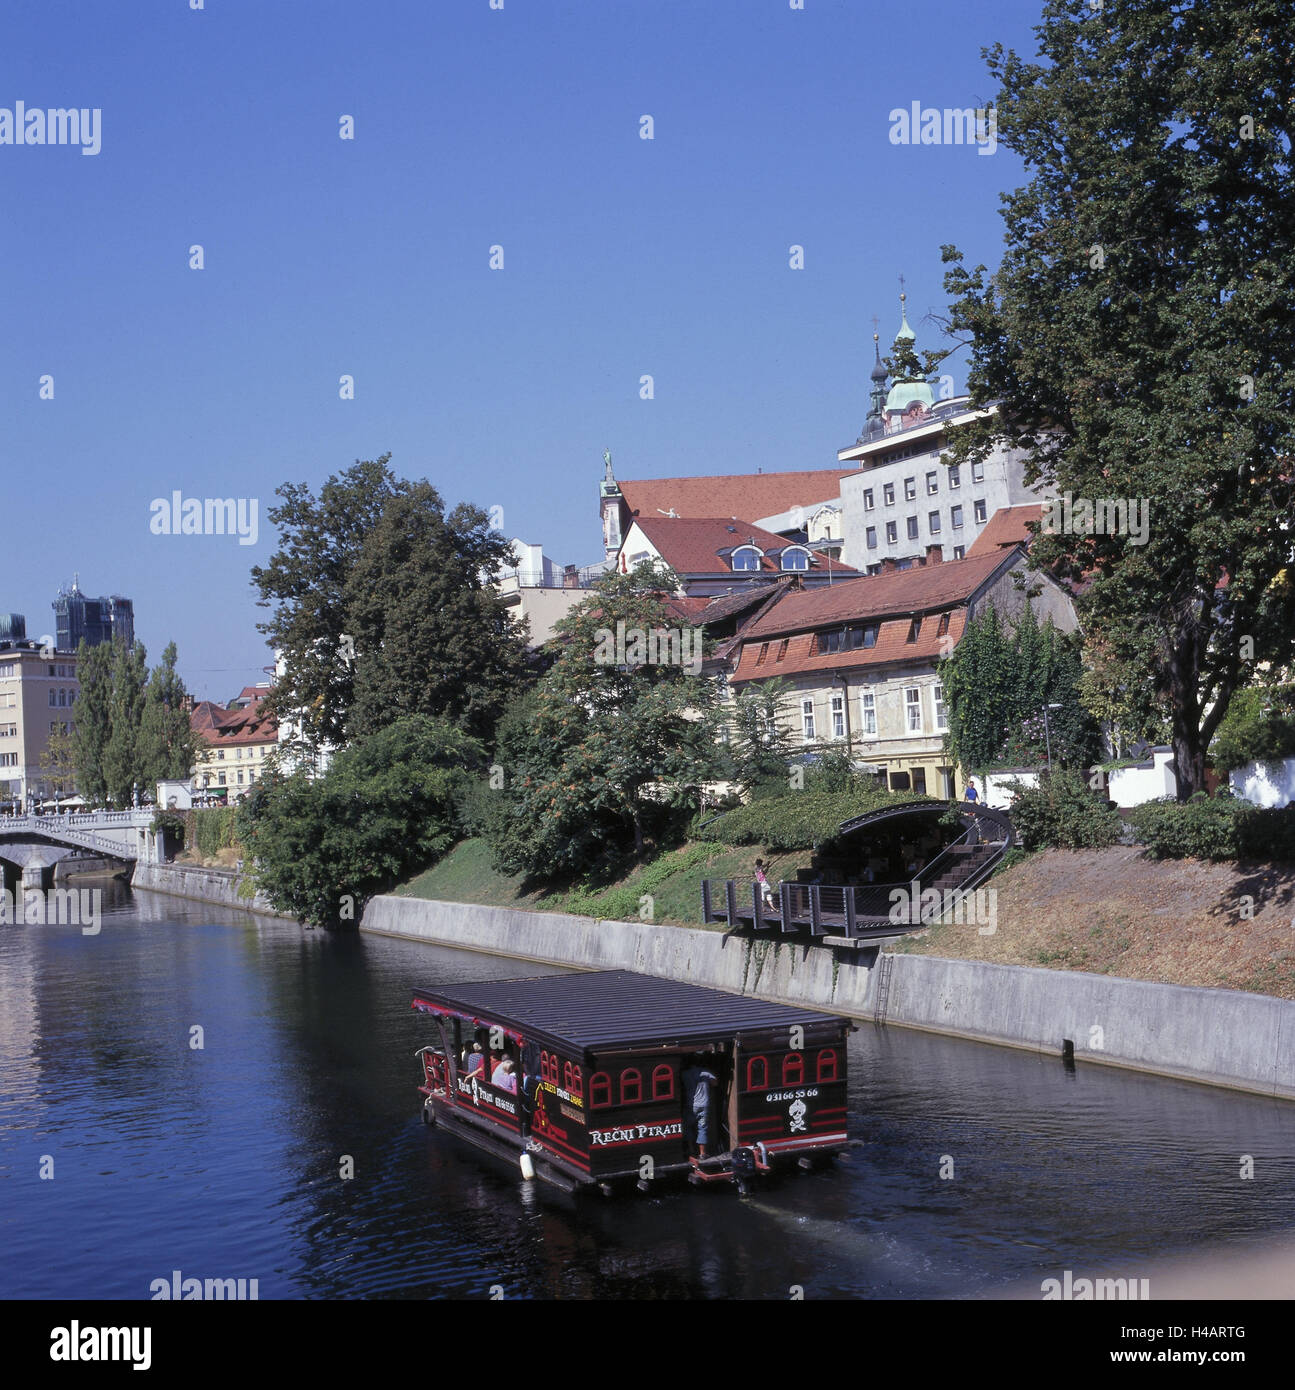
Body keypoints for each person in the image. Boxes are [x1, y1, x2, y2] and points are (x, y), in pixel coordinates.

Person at [682, 1054, 719, 1159]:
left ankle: (691, 1150)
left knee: (688, 1126)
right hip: (704, 1104)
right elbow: (715, 1083)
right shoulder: (705, 1073)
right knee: (702, 1128)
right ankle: (702, 1153)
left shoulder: (684, 1074)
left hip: (690, 1104)